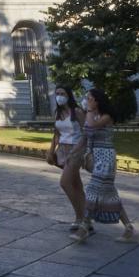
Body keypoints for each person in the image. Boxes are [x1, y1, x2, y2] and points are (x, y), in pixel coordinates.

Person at [78, 87, 134, 242]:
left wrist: (89, 111)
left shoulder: (106, 116)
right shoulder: (93, 115)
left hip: (106, 158)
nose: (86, 100)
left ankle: (84, 226)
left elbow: (92, 126)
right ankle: (128, 227)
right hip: (97, 157)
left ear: (97, 100)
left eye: (89, 98)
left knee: (92, 190)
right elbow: (86, 134)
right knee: (108, 194)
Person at [45, 85, 88, 234]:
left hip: (76, 150)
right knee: (76, 184)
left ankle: (80, 217)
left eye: (62, 93)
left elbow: (86, 132)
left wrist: (81, 149)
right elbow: (56, 134)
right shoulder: (58, 112)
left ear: (69, 95)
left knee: (65, 183)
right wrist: (51, 151)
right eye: (57, 93)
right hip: (62, 150)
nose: (59, 96)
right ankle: (85, 218)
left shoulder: (77, 112)